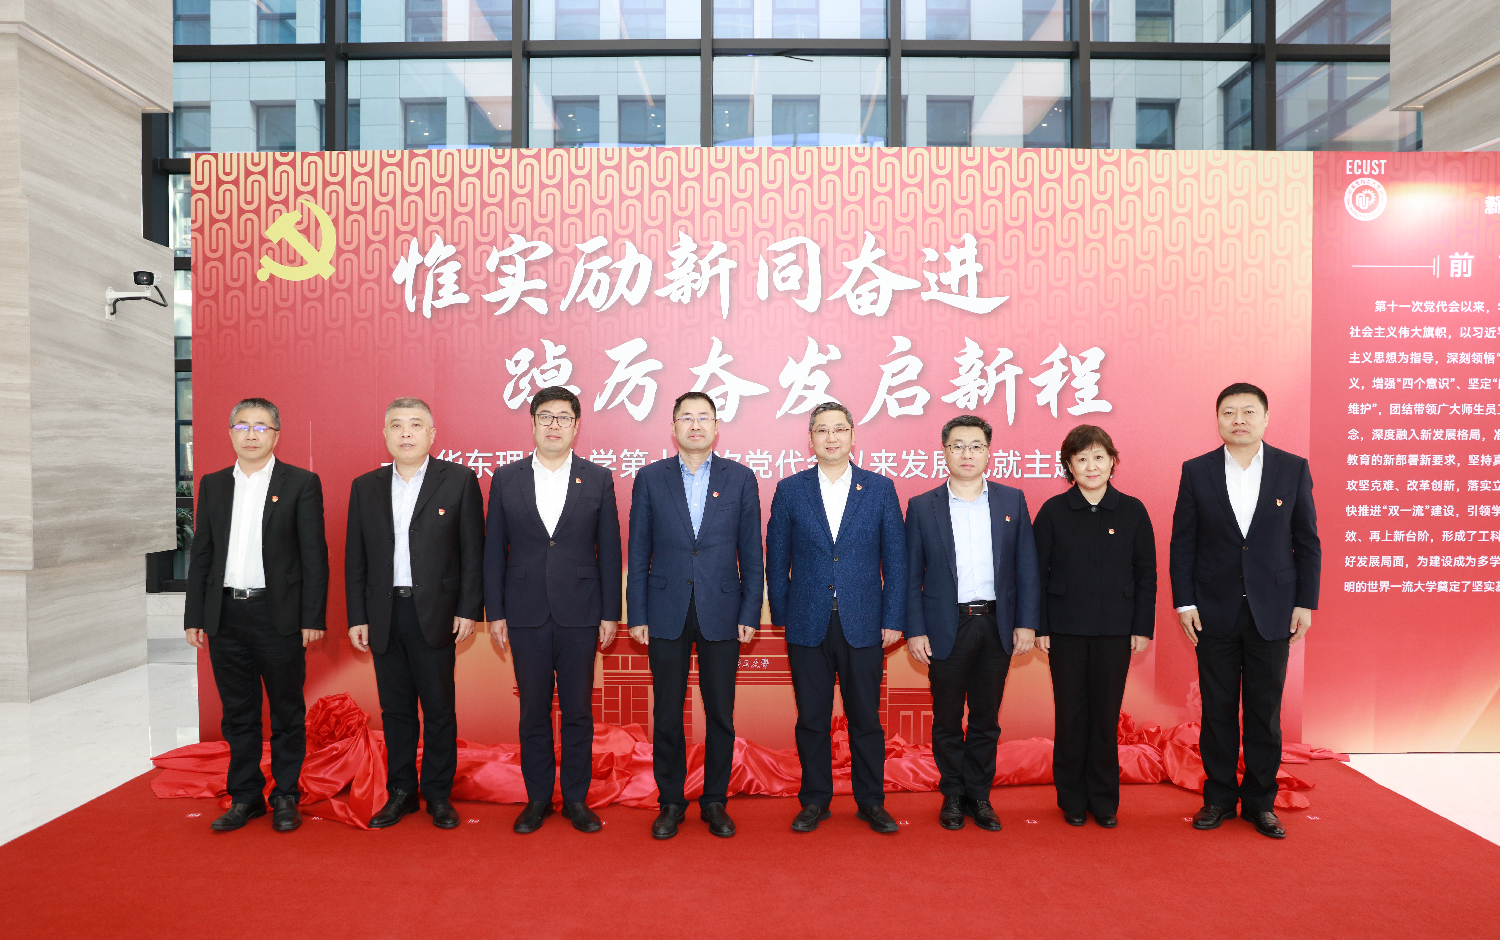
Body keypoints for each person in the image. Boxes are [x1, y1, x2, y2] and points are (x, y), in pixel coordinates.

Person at [1171, 382, 1320, 840]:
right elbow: (1183, 542)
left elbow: (1307, 541)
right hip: (1212, 611)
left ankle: (1260, 803)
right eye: (1229, 412)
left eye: (1249, 411)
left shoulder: (1292, 468)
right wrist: (1185, 602)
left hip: (1273, 610)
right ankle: (1218, 799)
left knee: (1263, 712)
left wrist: (1305, 602)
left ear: (1266, 418)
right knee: (1217, 711)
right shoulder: (1197, 471)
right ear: (1217, 419)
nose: (1239, 419)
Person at [184, 398, 329, 833]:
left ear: (276, 435)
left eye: (261, 427)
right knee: (238, 713)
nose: (251, 434)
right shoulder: (213, 484)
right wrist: (195, 613)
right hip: (225, 614)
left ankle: (285, 794)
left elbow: (314, 556)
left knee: (286, 710)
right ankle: (245, 796)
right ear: (230, 433)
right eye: (243, 426)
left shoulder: (300, 483)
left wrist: (312, 617)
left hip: (277, 615)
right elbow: (202, 552)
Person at [485, 386, 623, 834]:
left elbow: (610, 551)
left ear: (576, 426)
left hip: (580, 613)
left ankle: (576, 799)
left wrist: (610, 612)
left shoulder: (597, 478)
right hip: (524, 612)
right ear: (532, 423)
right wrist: (495, 612)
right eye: (546, 416)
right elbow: (493, 551)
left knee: (578, 711)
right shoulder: (506, 479)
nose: (554, 425)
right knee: (533, 712)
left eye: (564, 417)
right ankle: (539, 799)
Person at [627, 391, 764, 840]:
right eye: (686, 417)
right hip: (665, 609)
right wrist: (637, 612)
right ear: (673, 428)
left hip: (722, 610)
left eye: (704, 417)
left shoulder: (740, 478)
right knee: (667, 711)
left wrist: (750, 609)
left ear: (716, 427)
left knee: (720, 711)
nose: (695, 425)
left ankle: (715, 800)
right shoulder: (651, 478)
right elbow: (639, 550)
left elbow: (752, 552)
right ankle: (670, 801)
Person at [766, 401, 906, 834]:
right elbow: (777, 558)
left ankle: (871, 801)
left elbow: (896, 561)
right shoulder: (791, 490)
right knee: (812, 719)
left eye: (839, 429)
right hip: (807, 622)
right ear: (810, 439)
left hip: (863, 622)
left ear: (852, 436)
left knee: (865, 718)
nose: (831, 437)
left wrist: (893, 617)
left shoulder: (879, 488)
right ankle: (814, 800)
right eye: (822, 430)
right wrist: (785, 615)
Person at [346, 397, 484, 830]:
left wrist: (468, 608)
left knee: (439, 709)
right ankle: (402, 792)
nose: (406, 433)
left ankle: (438, 794)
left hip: (437, 612)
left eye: (416, 425)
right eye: (397, 425)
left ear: (431, 434)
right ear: (385, 434)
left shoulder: (458, 480)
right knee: (396, 710)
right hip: (384, 613)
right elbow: (356, 558)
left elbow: (473, 552)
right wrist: (357, 616)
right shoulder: (365, 486)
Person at [904, 414, 1040, 832]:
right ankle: (952, 794)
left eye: (976, 446)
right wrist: (915, 629)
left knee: (986, 718)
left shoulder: (1011, 500)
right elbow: (909, 575)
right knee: (947, 718)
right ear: (944, 451)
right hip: (946, 626)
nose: (967, 454)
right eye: (958, 446)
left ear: (988, 452)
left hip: (996, 624)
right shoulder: (922, 506)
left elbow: (1027, 567)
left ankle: (979, 796)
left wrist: (1027, 623)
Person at [1033, 425, 1156, 828]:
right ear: (1068, 465)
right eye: (1081, 458)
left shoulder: (1132, 510)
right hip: (1064, 629)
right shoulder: (1053, 511)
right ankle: (1071, 799)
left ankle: (1103, 801)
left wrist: (1142, 627)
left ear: (1112, 461)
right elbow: (1035, 573)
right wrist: (1040, 626)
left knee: (1105, 716)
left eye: (1099, 457)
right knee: (1070, 715)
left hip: (1115, 630)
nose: (1091, 466)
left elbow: (1147, 574)